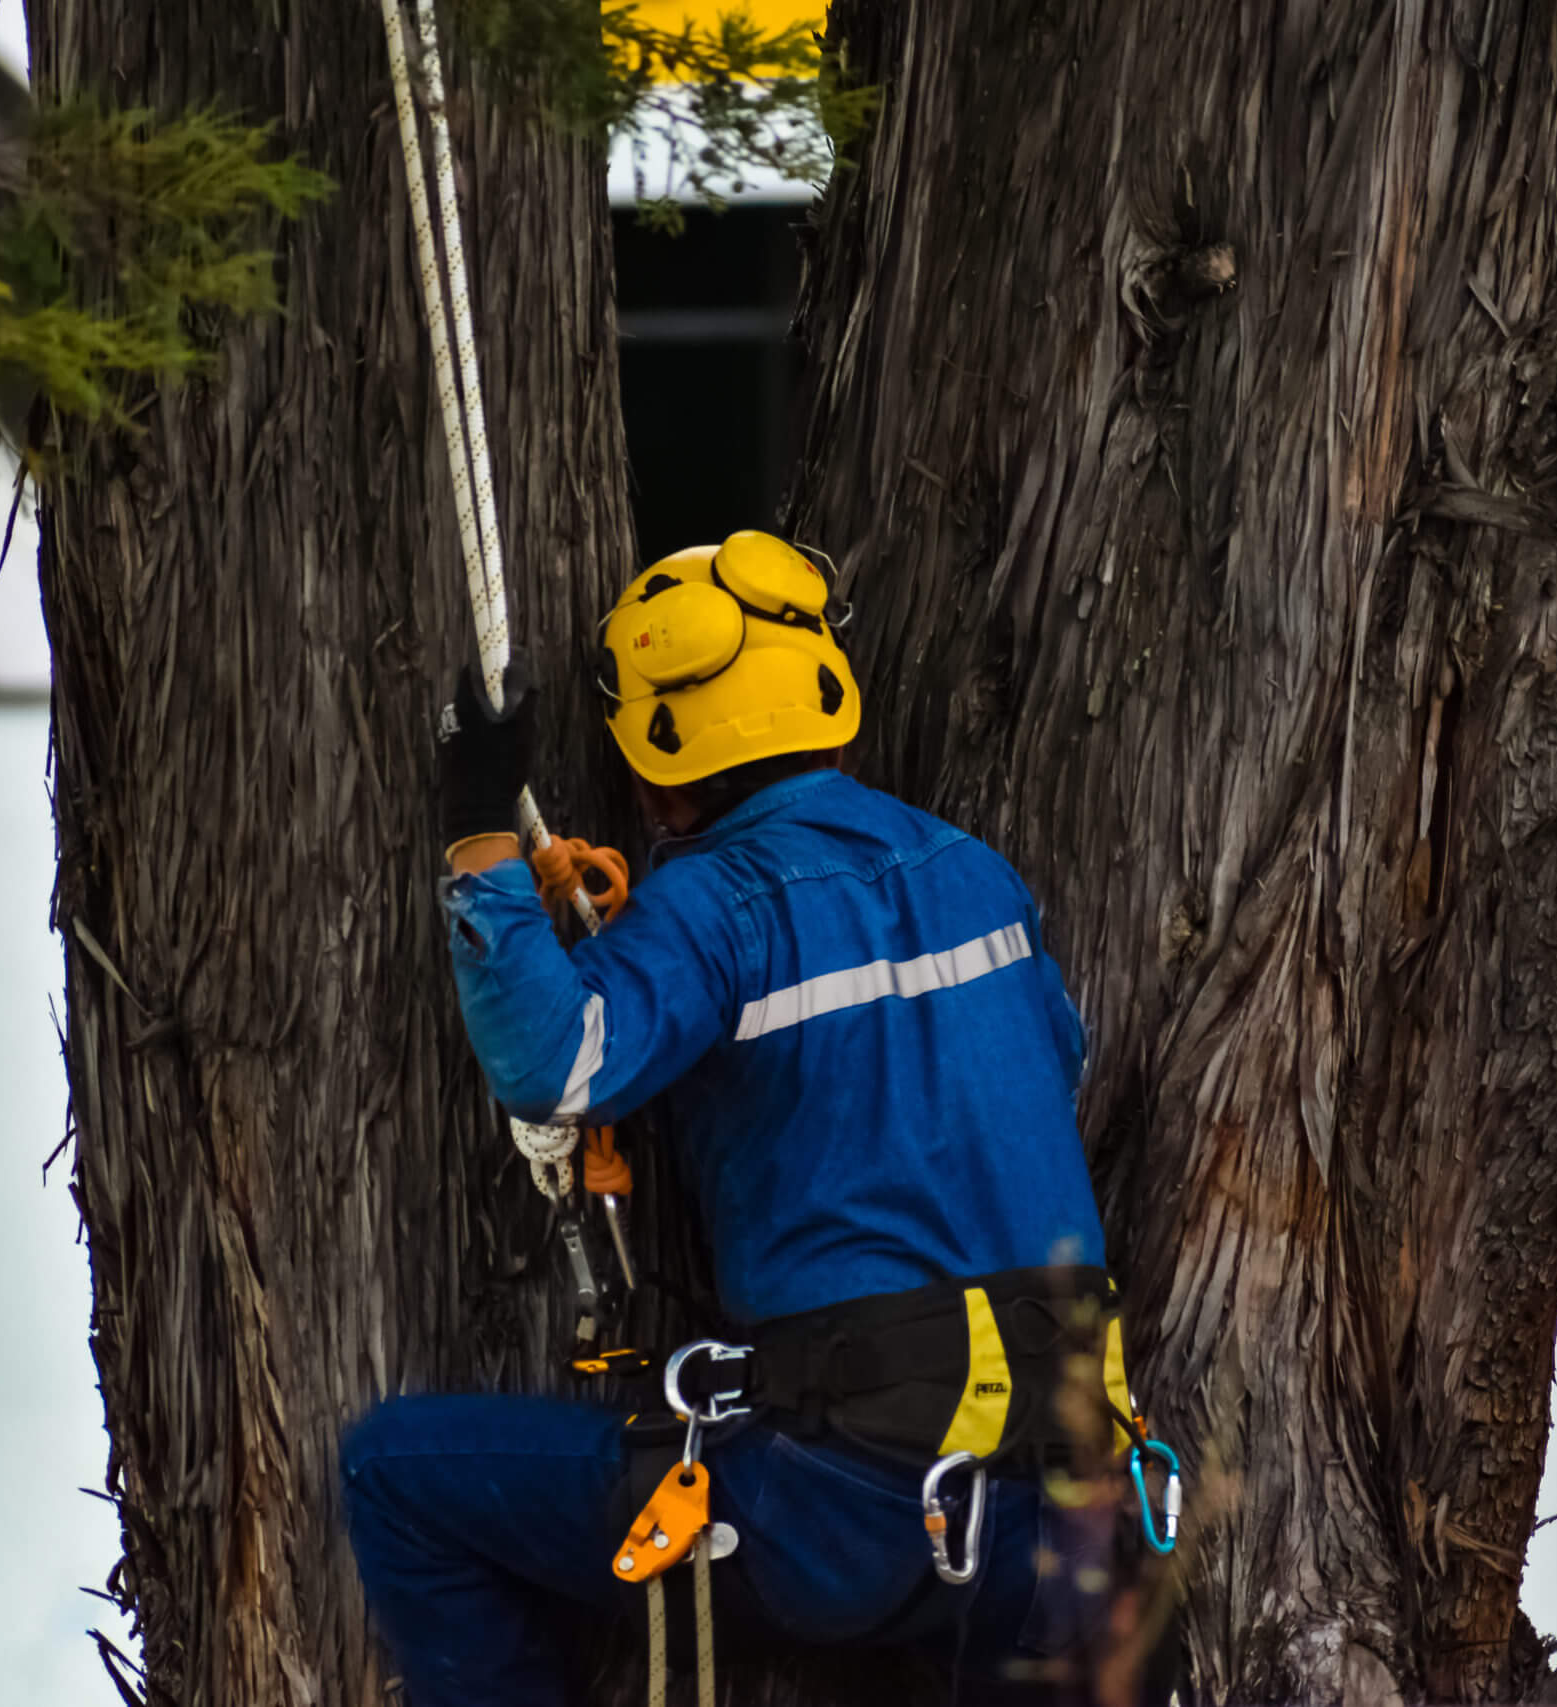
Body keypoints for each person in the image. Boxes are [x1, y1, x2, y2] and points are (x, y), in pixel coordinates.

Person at [341, 531, 1135, 1706]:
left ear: (657, 772)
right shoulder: (973, 873)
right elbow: (1050, 1062)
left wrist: (477, 826)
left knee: (397, 1472)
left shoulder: (715, 904)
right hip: (1070, 1517)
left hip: (853, 1507)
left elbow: (557, 1066)